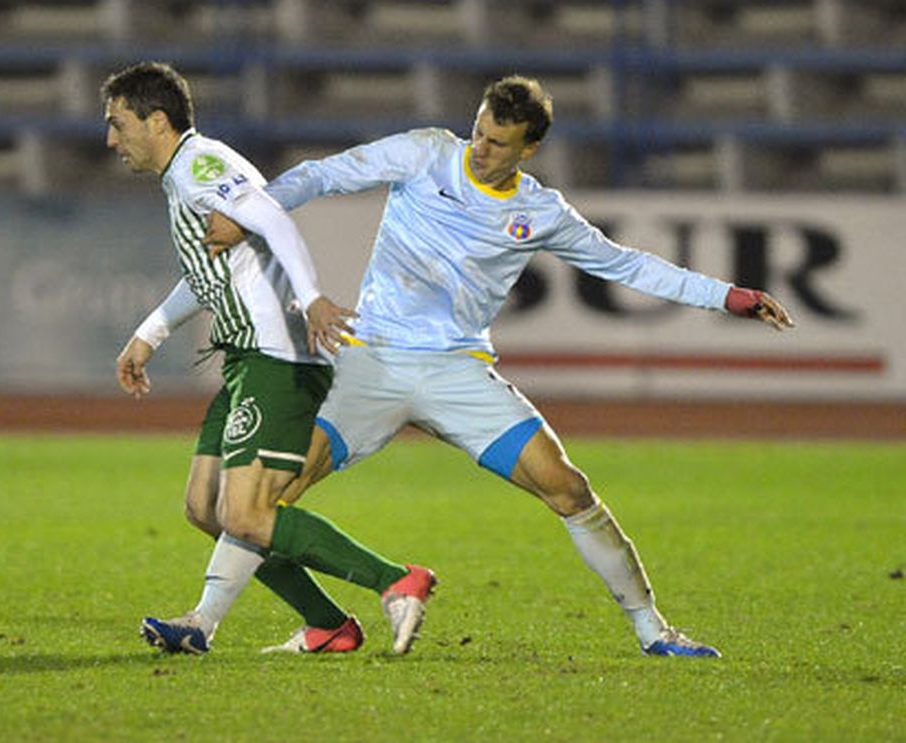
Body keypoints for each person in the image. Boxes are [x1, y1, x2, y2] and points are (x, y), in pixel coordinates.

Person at [204, 75, 795, 658]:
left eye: (496, 142)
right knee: (264, 500)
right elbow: (321, 174)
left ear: (528, 149)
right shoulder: (426, 153)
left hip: (456, 372)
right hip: (370, 361)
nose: (479, 149)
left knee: (568, 488)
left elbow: (624, 265)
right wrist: (250, 214)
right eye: (478, 131)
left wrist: (726, 296)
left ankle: (653, 629)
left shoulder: (540, 211)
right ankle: (218, 623)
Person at [102, 62, 436, 656]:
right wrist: (149, 333)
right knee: (207, 508)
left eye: (118, 123)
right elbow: (209, 272)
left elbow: (274, 220)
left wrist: (312, 300)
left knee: (250, 514)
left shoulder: (202, 165)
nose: (111, 140)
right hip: (244, 358)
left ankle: (396, 580)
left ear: (157, 121)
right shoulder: (183, 176)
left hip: (274, 357)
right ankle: (328, 625)